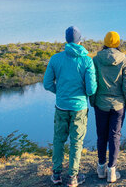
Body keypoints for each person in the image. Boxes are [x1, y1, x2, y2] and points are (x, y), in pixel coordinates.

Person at [43, 26, 97, 187]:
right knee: (76, 142)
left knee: (58, 140)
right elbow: (91, 89)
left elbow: (47, 84)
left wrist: (60, 92)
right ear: (80, 40)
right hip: (79, 107)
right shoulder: (87, 60)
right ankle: (73, 177)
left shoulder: (55, 59)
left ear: (66, 40)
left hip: (61, 106)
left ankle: (56, 174)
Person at [90, 31, 126, 183]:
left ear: (105, 42)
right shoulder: (125, 61)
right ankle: (112, 171)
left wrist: (93, 101)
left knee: (101, 135)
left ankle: (101, 168)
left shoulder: (96, 60)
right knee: (115, 136)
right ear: (118, 43)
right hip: (118, 104)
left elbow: (93, 83)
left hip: (101, 103)